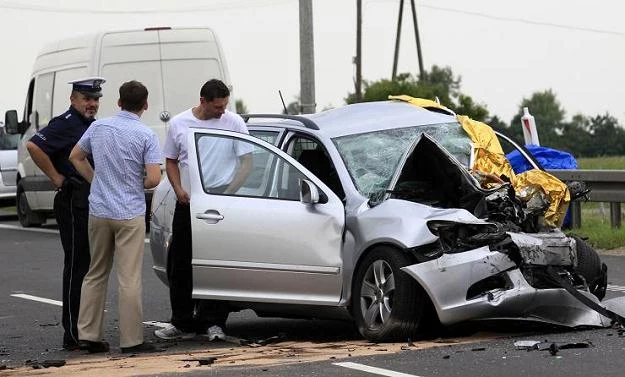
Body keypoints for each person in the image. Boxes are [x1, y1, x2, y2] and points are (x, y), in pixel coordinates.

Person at [69, 80, 162, 354]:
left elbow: (76, 156)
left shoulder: (98, 127)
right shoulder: (147, 135)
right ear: (145, 105)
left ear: (119, 103)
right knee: (129, 278)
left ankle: (88, 333)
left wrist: (95, 180)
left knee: (95, 272)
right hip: (129, 213)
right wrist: (135, 182)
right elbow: (154, 178)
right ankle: (132, 339)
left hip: (98, 211)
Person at [155, 78, 252, 340]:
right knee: (180, 264)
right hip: (187, 203)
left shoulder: (234, 122)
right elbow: (171, 161)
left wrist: (229, 193)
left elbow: (247, 161)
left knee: (216, 264)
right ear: (203, 101)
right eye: (217, 107)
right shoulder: (179, 123)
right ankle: (182, 322)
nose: (222, 111)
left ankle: (214, 321)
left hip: (220, 204)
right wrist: (178, 190)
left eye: (224, 106)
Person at [26, 77, 105, 351]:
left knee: (90, 265)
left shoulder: (90, 124)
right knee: (77, 265)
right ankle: (72, 333)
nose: (92, 104)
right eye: (87, 99)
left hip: (89, 200)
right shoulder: (66, 123)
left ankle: (84, 328)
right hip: (73, 201)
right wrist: (57, 178)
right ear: (73, 99)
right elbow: (35, 146)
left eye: (95, 99)